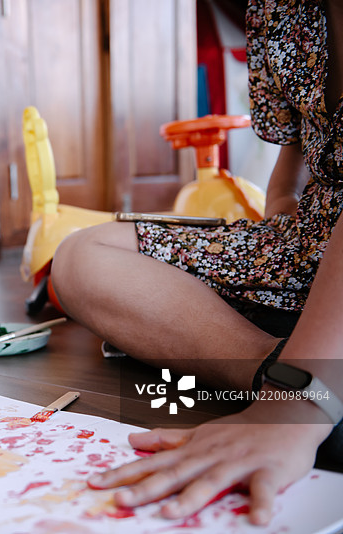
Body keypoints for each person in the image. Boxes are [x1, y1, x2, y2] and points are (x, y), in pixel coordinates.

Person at [50, 0, 343, 525]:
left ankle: (314, 387)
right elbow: (297, 149)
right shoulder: (279, 10)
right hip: (305, 241)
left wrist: (298, 409)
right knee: (79, 256)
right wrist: (280, 217)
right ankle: (294, 371)